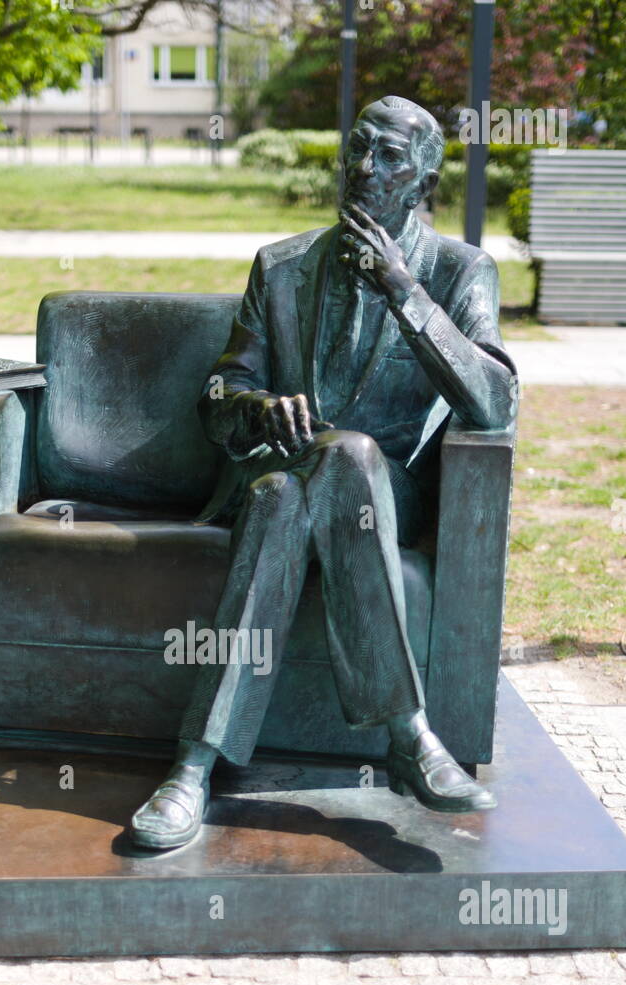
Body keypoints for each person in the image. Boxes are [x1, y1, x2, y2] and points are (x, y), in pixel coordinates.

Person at [131, 94, 518, 850]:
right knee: (282, 490)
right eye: (356, 148)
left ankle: (192, 767)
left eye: (388, 158)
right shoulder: (280, 267)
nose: (362, 168)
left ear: (422, 179)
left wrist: (404, 293)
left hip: (385, 496)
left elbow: (494, 403)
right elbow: (219, 395)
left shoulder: (457, 270)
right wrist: (258, 411)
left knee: (330, 470)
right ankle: (407, 734)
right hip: (276, 470)